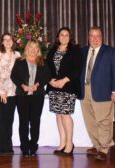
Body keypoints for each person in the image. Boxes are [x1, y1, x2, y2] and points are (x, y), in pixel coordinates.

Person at [80, 26, 115, 161]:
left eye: (97, 36)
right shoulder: (82, 52)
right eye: (92, 36)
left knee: (104, 121)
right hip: (84, 91)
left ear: (102, 37)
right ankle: (97, 144)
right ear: (88, 38)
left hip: (104, 91)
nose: (95, 39)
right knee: (90, 121)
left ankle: (104, 149)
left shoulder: (111, 51)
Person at [11, 40, 51, 157]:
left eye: (36, 47)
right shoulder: (19, 61)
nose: (33, 50)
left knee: (35, 121)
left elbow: (47, 76)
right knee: (23, 122)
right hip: (22, 95)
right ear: (27, 48)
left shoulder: (43, 62)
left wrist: (37, 85)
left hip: (37, 95)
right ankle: (24, 147)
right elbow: (14, 76)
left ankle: (33, 146)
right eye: (31, 47)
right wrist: (23, 86)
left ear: (38, 49)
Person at [46, 27, 82, 156]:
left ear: (70, 37)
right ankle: (62, 143)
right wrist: (50, 80)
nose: (64, 37)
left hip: (68, 86)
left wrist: (64, 80)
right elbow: (47, 67)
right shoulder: (52, 51)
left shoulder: (75, 50)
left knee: (65, 114)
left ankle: (69, 144)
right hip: (54, 86)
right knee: (58, 114)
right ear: (58, 37)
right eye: (62, 34)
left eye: (67, 35)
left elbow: (77, 69)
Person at [0, 33, 21, 154]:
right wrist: (2, 92)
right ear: (2, 42)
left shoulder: (18, 55)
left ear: (13, 41)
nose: (8, 41)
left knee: (10, 119)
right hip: (1, 91)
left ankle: (8, 145)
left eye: (9, 39)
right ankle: (1, 146)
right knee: (3, 118)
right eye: (5, 39)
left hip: (14, 92)